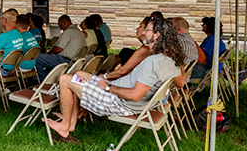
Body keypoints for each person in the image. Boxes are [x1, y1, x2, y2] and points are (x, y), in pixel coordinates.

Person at [47, 17, 186, 142]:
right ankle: (71, 122)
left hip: (117, 102)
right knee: (79, 74)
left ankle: (65, 126)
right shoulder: (172, 59)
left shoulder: (153, 62)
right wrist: (108, 83)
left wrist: (107, 87)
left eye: (147, 30)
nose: (143, 32)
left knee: (65, 79)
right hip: (121, 94)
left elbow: (135, 95)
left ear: (156, 35)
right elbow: (181, 84)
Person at [34, 15, 86, 80]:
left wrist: (48, 54)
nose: (60, 28)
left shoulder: (69, 31)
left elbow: (58, 49)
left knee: (37, 57)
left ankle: (41, 79)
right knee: (47, 62)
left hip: (65, 60)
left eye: (60, 25)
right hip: (76, 61)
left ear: (64, 22)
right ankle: (48, 78)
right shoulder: (79, 32)